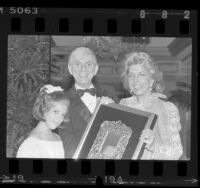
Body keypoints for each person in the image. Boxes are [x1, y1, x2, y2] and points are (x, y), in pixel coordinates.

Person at [120, 52, 183, 160]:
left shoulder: (168, 109)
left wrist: (153, 145)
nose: (136, 80)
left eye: (142, 74)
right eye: (131, 75)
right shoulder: (122, 106)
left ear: (152, 80)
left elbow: (177, 152)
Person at [58, 47, 115, 158]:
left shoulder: (110, 93)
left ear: (96, 69)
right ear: (70, 69)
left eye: (89, 64)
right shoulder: (62, 100)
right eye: (77, 64)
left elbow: (119, 129)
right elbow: (68, 141)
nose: (83, 69)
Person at [16, 84, 70, 158]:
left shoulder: (57, 138)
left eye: (62, 114)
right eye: (56, 112)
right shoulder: (31, 143)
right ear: (43, 109)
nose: (59, 118)